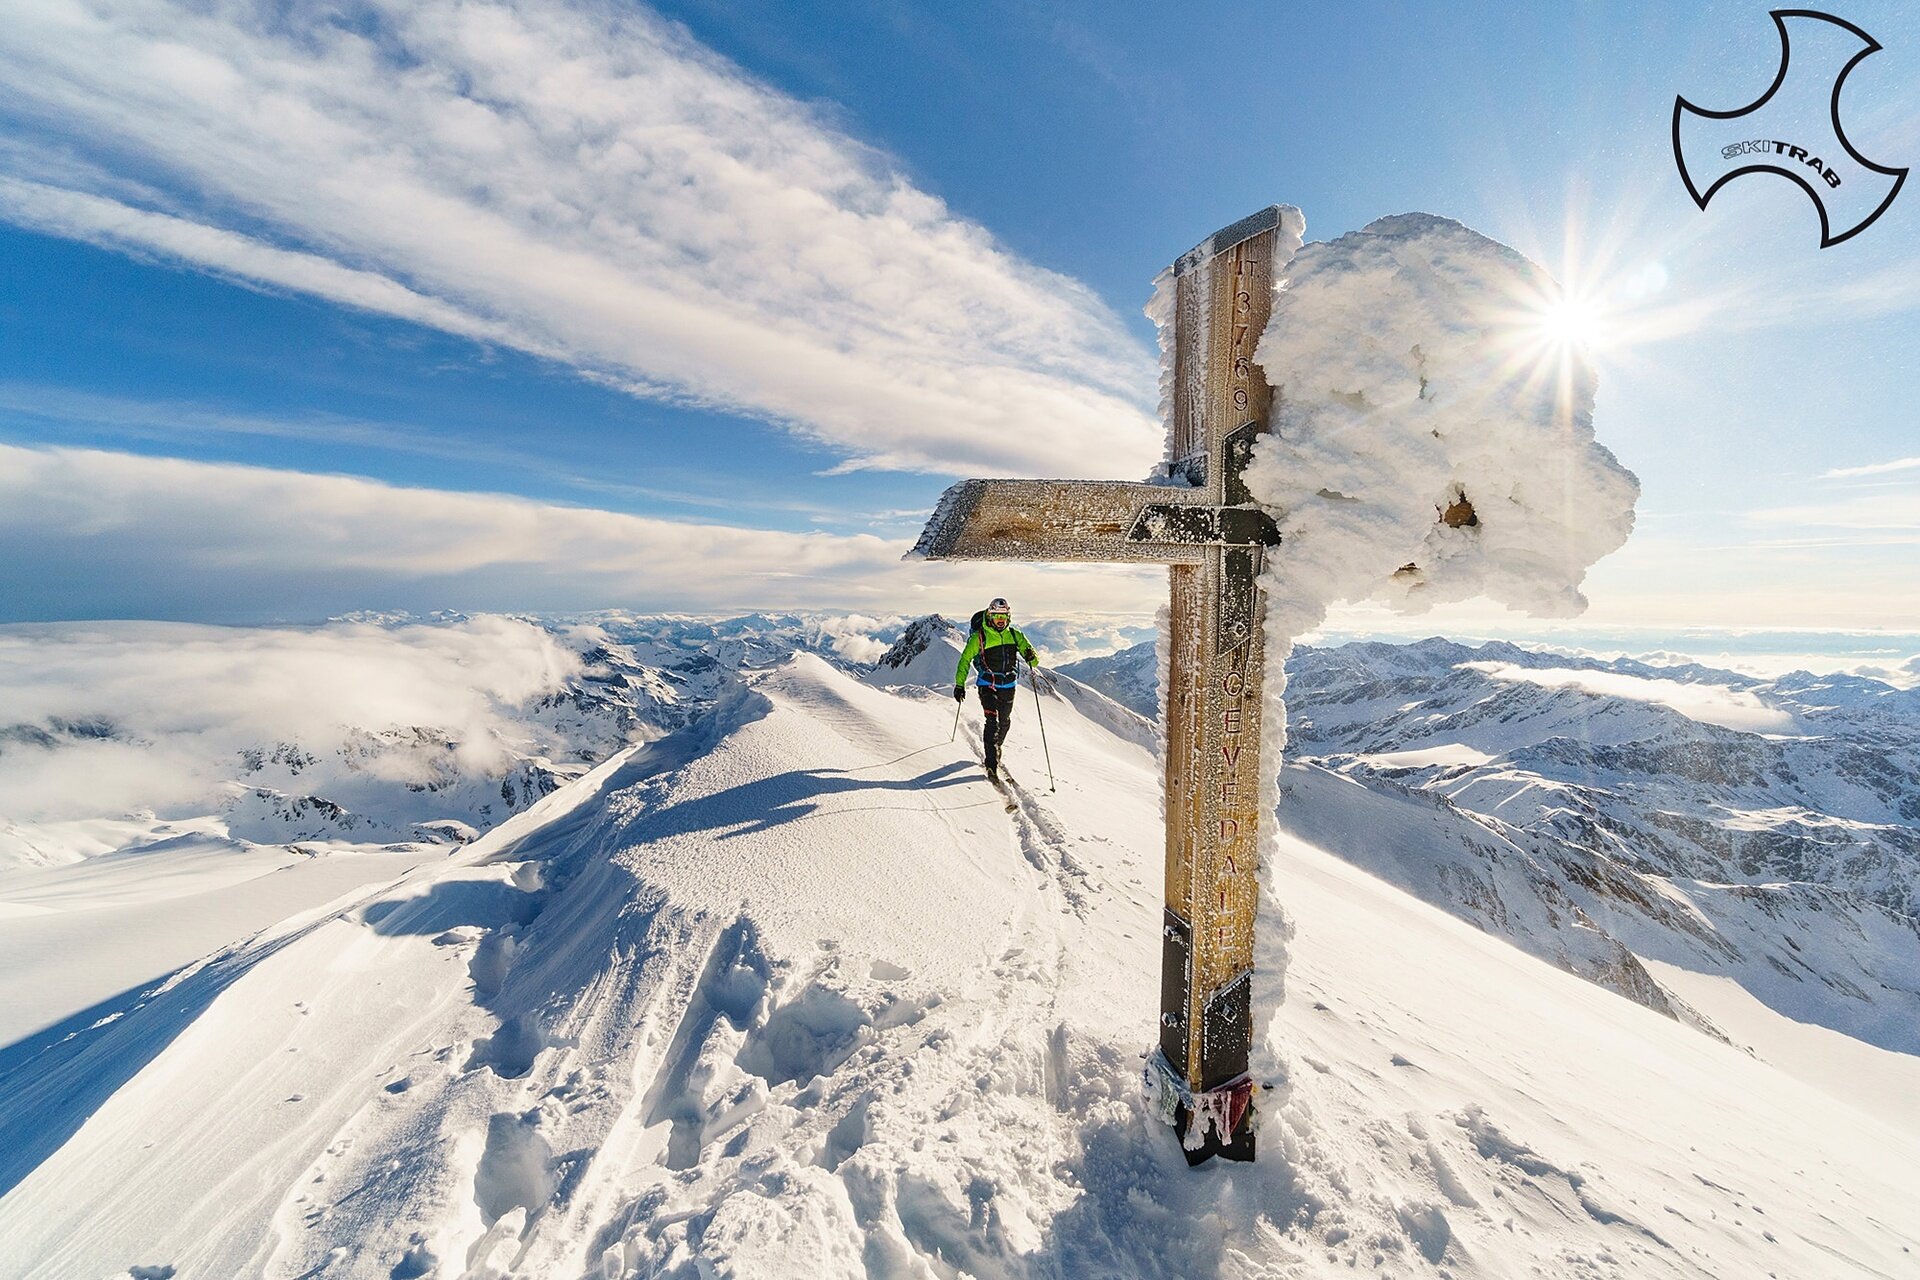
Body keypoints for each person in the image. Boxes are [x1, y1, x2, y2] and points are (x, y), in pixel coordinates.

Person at [953, 597, 1042, 780]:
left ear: (1008, 617)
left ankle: (996, 747)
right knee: (992, 722)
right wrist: (959, 684)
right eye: (996, 617)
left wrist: (1031, 656)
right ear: (989, 616)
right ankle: (991, 763)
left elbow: (1034, 660)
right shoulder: (979, 637)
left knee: (1005, 722)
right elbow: (965, 660)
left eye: (1003, 617)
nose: (1000, 621)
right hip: (987, 684)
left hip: (1009, 684)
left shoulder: (1016, 635)